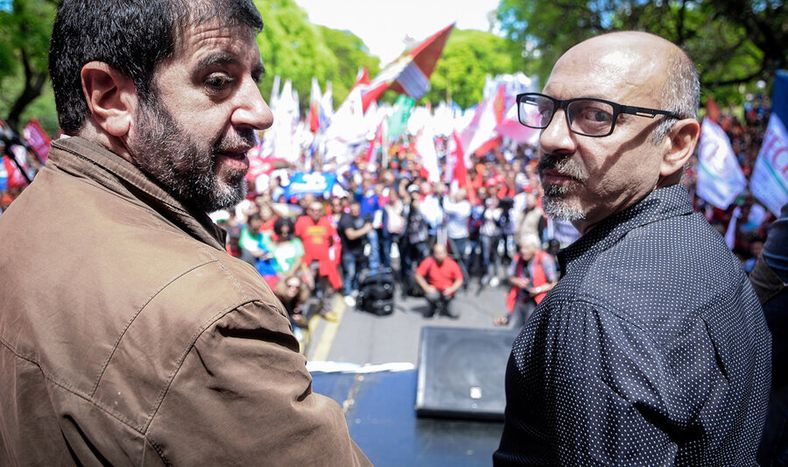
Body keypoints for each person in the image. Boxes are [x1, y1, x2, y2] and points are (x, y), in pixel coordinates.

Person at [0, 1, 369, 465]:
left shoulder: (20, 221)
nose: (261, 112)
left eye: (255, 78)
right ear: (110, 97)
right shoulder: (213, 315)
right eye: (218, 81)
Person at [495, 31, 770, 465]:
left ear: (676, 145)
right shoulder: (708, 251)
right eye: (547, 110)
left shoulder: (593, 309)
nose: (551, 138)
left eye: (595, 115)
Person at [495, 235, 557, 327]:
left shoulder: (544, 259)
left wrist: (538, 290)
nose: (523, 251)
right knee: (513, 327)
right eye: (522, 248)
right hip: (521, 298)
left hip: (537, 301)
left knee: (530, 328)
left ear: (534, 248)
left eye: (526, 248)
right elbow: (510, 277)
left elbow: (554, 283)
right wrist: (517, 281)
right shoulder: (519, 257)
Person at [338, 199, 374, 307]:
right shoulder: (346, 219)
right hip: (349, 252)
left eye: (358, 210)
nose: (356, 212)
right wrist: (365, 229)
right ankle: (347, 293)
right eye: (354, 209)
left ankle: (354, 289)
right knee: (350, 273)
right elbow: (351, 235)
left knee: (358, 272)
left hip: (359, 251)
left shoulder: (360, 218)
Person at [413, 243, 463, 318]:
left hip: (448, 292)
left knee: (455, 313)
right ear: (434, 254)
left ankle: (446, 304)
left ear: (446, 253)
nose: (439, 255)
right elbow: (418, 275)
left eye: (441, 253)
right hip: (434, 290)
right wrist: (426, 287)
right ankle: (433, 307)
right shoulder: (429, 262)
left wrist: (452, 289)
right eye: (437, 253)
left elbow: (459, 279)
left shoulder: (452, 263)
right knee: (430, 296)